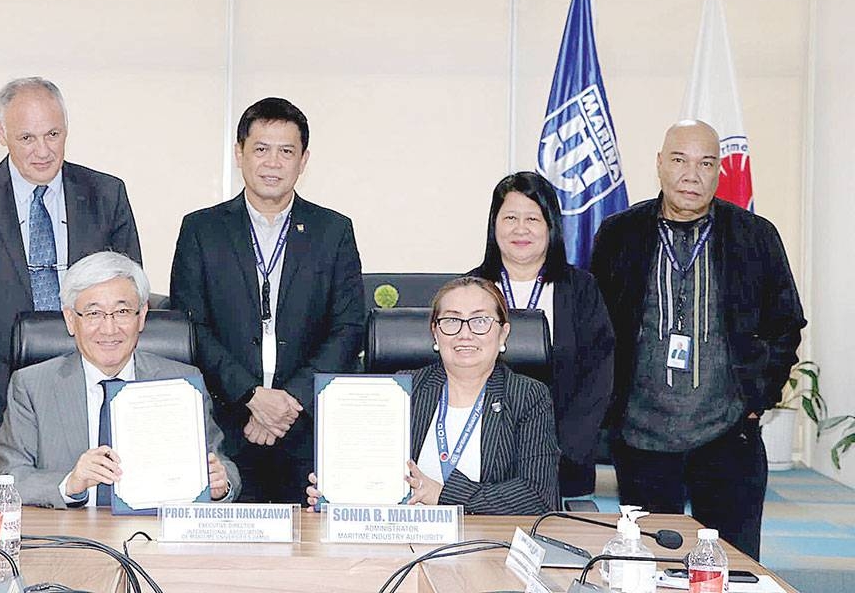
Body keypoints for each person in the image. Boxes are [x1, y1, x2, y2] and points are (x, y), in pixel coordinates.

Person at [591, 120, 805, 560]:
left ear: (719, 171)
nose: (692, 174)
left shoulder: (755, 236)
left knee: (733, 569)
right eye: (679, 160)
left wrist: (756, 398)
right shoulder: (619, 235)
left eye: (706, 163)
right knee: (647, 569)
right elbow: (598, 329)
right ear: (659, 165)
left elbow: (786, 323)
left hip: (727, 437)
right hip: (641, 439)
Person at [0, 77, 142, 504]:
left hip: (94, 401)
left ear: (66, 128)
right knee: (2, 541)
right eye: (26, 137)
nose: (42, 150)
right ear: (1, 134)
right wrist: (17, 390)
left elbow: (128, 294)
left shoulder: (106, 193)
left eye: (53, 135)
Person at [169, 97, 364, 503]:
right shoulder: (201, 230)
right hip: (226, 428)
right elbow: (189, 328)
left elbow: (348, 328)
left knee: (309, 557)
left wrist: (288, 402)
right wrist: (252, 397)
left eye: (286, 151)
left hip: (306, 429)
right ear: (239, 153)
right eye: (261, 149)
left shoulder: (333, 231)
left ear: (303, 160)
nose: (273, 162)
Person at [0, 251, 239, 506]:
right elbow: (7, 478)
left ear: (141, 317)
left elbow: (223, 465)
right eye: (93, 314)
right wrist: (70, 482)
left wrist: (221, 483)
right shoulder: (32, 386)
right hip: (72, 538)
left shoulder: (181, 382)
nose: (109, 329)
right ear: (70, 320)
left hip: (154, 536)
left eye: (122, 312)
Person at [307, 276, 559, 514]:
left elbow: (537, 496)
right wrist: (337, 489)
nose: (465, 333)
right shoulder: (403, 390)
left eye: (480, 321)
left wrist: (443, 495)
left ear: (503, 333)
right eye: (451, 320)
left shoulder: (527, 396)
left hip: (485, 545)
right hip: (402, 540)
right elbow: (367, 473)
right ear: (435, 333)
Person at [469, 171, 614, 500]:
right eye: (510, 217)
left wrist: (560, 452)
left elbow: (599, 377)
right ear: (495, 225)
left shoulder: (581, 289)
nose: (521, 229)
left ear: (551, 225)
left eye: (533, 218)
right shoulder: (470, 290)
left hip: (562, 465)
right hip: (479, 463)